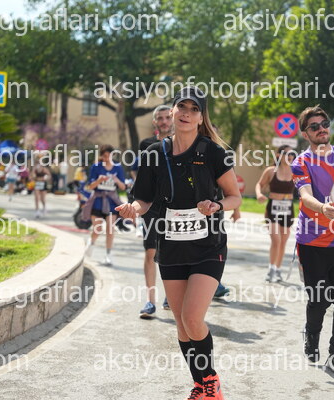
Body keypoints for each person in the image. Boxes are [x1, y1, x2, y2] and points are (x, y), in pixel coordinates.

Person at [117, 86, 241, 400]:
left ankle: (211, 382)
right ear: (171, 112)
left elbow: (234, 197)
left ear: (201, 117)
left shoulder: (213, 152)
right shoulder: (153, 153)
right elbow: (144, 198)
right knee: (181, 325)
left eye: (193, 109)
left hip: (208, 246)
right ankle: (201, 385)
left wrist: (217, 205)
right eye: (181, 107)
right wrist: (134, 208)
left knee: (192, 318)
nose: (186, 113)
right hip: (171, 246)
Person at [291, 105, 334, 374]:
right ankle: (311, 333)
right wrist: (322, 207)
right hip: (312, 243)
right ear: (305, 134)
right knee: (319, 299)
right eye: (314, 126)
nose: (321, 129)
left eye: (325, 123)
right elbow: (305, 195)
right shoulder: (301, 162)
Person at [134, 105, 173, 319]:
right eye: (160, 118)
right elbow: (143, 176)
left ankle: (170, 296)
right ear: (155, 122)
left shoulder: (181, 143)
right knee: (150, 251)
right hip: (151, 205)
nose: (164, 121)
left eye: (168, 117)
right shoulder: (146, 145)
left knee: (170, 252)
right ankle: (150, 301)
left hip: (174, 207)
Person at [255, 145, 296, 282]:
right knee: (276, 240)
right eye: (286, 154)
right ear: (278, 155)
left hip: (288, 208)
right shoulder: (271, 171)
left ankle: (277, 269)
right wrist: (259, 194)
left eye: (292, 154)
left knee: (283, 241)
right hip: (273, 208)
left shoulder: (295, 170)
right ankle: (271, 269)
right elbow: (259, 184)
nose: (290, 156)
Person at [82, 145, 126, 265]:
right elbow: (90, 186)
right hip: (98, 200)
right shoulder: (96, 167)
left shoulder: (118, 168)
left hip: (111, 201)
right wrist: (99, 180)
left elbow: (123, 187)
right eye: (104, 156)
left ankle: (108, 255)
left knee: (110, 229)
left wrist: (116, 180)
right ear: (101, 156)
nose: (107, 158)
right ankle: (91, 243)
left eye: (109, 156)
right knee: (97, 229)